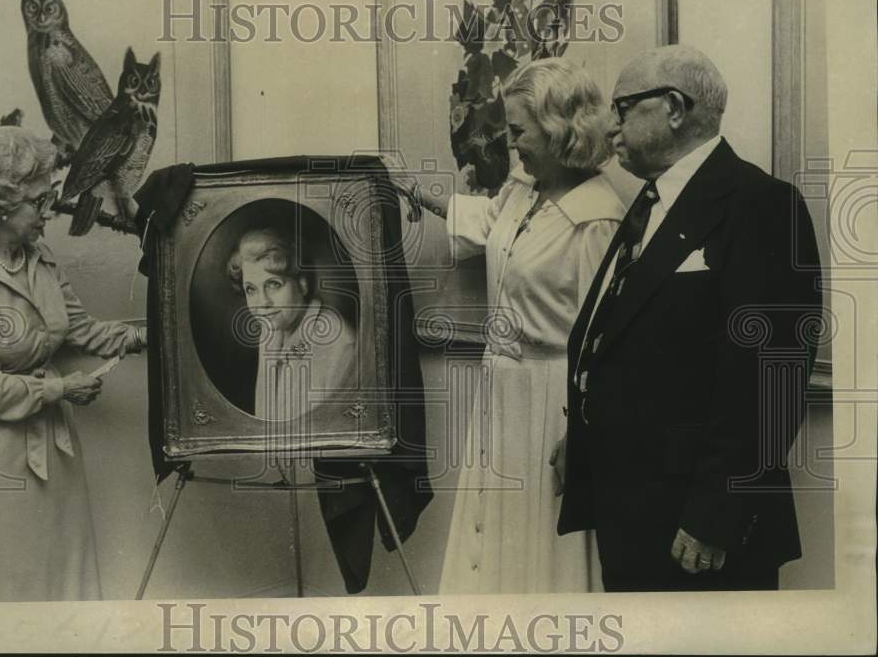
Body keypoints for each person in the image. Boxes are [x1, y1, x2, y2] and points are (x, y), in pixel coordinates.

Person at [557, 45, 823, 591]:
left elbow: (773, 381)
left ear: (675, 107)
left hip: (698, 533)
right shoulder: (650, 204)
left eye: (624, 106)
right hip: (631, 515)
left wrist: (715, 515)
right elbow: (623, 337)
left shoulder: (760, 205)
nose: (610, 126)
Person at [393, 58, 625, 593]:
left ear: (559, 129)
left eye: (519, 131)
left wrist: (584, 436)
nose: (511, 143)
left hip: (553, 404)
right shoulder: (525, 188)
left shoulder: (597, 217)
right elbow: (491, 228)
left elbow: (608, 339)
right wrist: (417, 191)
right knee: (490, 552)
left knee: (543, 557)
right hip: (501, 393)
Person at [0, 126, 147, 602]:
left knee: (60, 584)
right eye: (38, 201)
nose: (48, 210)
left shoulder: (41, 259)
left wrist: (143, 336)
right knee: (5, 590)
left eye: (49, 196)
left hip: (51, 453)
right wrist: (61, 390)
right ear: (1, 204)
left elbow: (79, 329)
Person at [227, 227, 357, 422]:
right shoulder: (270, 331)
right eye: (251, 289)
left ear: (302, 284)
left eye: (274, 284)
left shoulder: (338, 339)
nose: (263, 302)